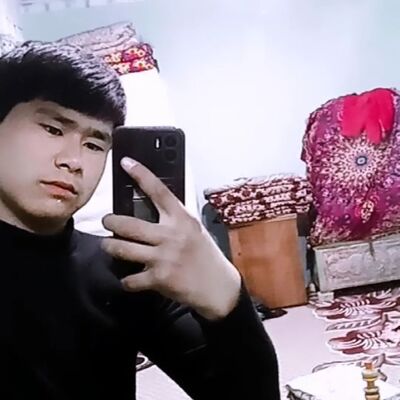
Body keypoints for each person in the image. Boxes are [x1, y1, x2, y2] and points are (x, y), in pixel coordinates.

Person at [0, 41, 280, 400]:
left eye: (95, 144)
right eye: (53, 129)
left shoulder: (128, 271)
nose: (74, 161)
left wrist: (227, 295)